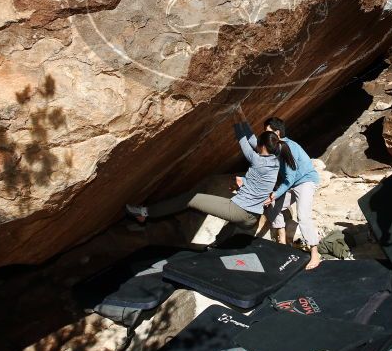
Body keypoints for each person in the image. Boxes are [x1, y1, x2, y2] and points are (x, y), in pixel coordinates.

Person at [125, 111, 296, 233]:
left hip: (240, 212)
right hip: (252, 217)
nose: (256, 144)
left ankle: (144, 213)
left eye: (259, 143)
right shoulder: (276, 159)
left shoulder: (257, 160)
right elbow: (252, 139)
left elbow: (244, 140)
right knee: (223, 238)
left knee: (191, 199)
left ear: (263, 147)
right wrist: (240, 112)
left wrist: (234, 116)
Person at [236, 109, 322, 270]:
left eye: (267, 132)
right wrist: (241, 118)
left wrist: (275, 194)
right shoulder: (271, 144)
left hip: (305, 182)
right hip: (289, 183)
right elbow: (254, 141)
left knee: (303, 215)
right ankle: (282, 242)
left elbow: (290, 178)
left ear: (277, 132)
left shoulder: (289, 147)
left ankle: (315, 253)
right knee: (271, 207)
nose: (265, 135)